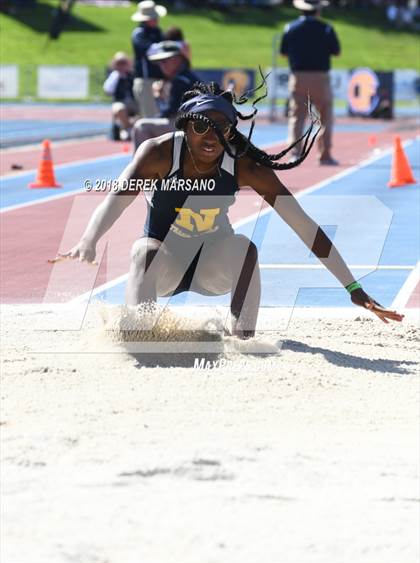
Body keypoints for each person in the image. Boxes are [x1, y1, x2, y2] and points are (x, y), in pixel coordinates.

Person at [56, 81, 404, 338]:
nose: (210, 137)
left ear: (230, 132)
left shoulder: (244, 166)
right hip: (164, 266)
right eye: (201, 126)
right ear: (185, 126)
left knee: (245, 249)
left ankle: (242, 337)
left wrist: (353, 289)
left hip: (213, 268)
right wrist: (89, 238)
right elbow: (116, 199)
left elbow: (304, 226)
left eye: (220, 128)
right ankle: (138, 331)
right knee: (141, 251)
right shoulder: (158, 153)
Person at [280, 0, 340, 165]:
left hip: (298, 77)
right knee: (325, 117)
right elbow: (337, 52)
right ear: (318, 11)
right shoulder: (326, 29)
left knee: (297, 117)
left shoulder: (290, 28)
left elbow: (283, 53)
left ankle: (295, 154)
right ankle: (324, 154)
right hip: (320, 77)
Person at [133, 40, 199, 151]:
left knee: (141, 126)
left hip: (189, 128)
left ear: (177, 60)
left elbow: (168, 113)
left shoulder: (180, 80)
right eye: (159, 62)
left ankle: (140, 167)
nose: (161, 66)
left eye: (164, 61)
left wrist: (158, 97)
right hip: (195, 126)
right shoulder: (187, 77)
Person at [131, 0, 167, 119]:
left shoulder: (157, 32)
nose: (157, 19)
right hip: (146, 80)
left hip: (160, 80)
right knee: (151, 118)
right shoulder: (139, 34)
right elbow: (151, 51)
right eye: (154, 17)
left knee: (163, 116)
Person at [103, 52, 138, 141]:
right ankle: (128, 128)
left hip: (135, 103)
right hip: (120, 102)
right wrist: (117, 76)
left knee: (148, 109)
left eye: (124, 63)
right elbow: (107, 90)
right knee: (118, 109)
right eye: (119, 63)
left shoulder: (133, 74)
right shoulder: (113, 75)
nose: (122, 66)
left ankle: (129, 128)